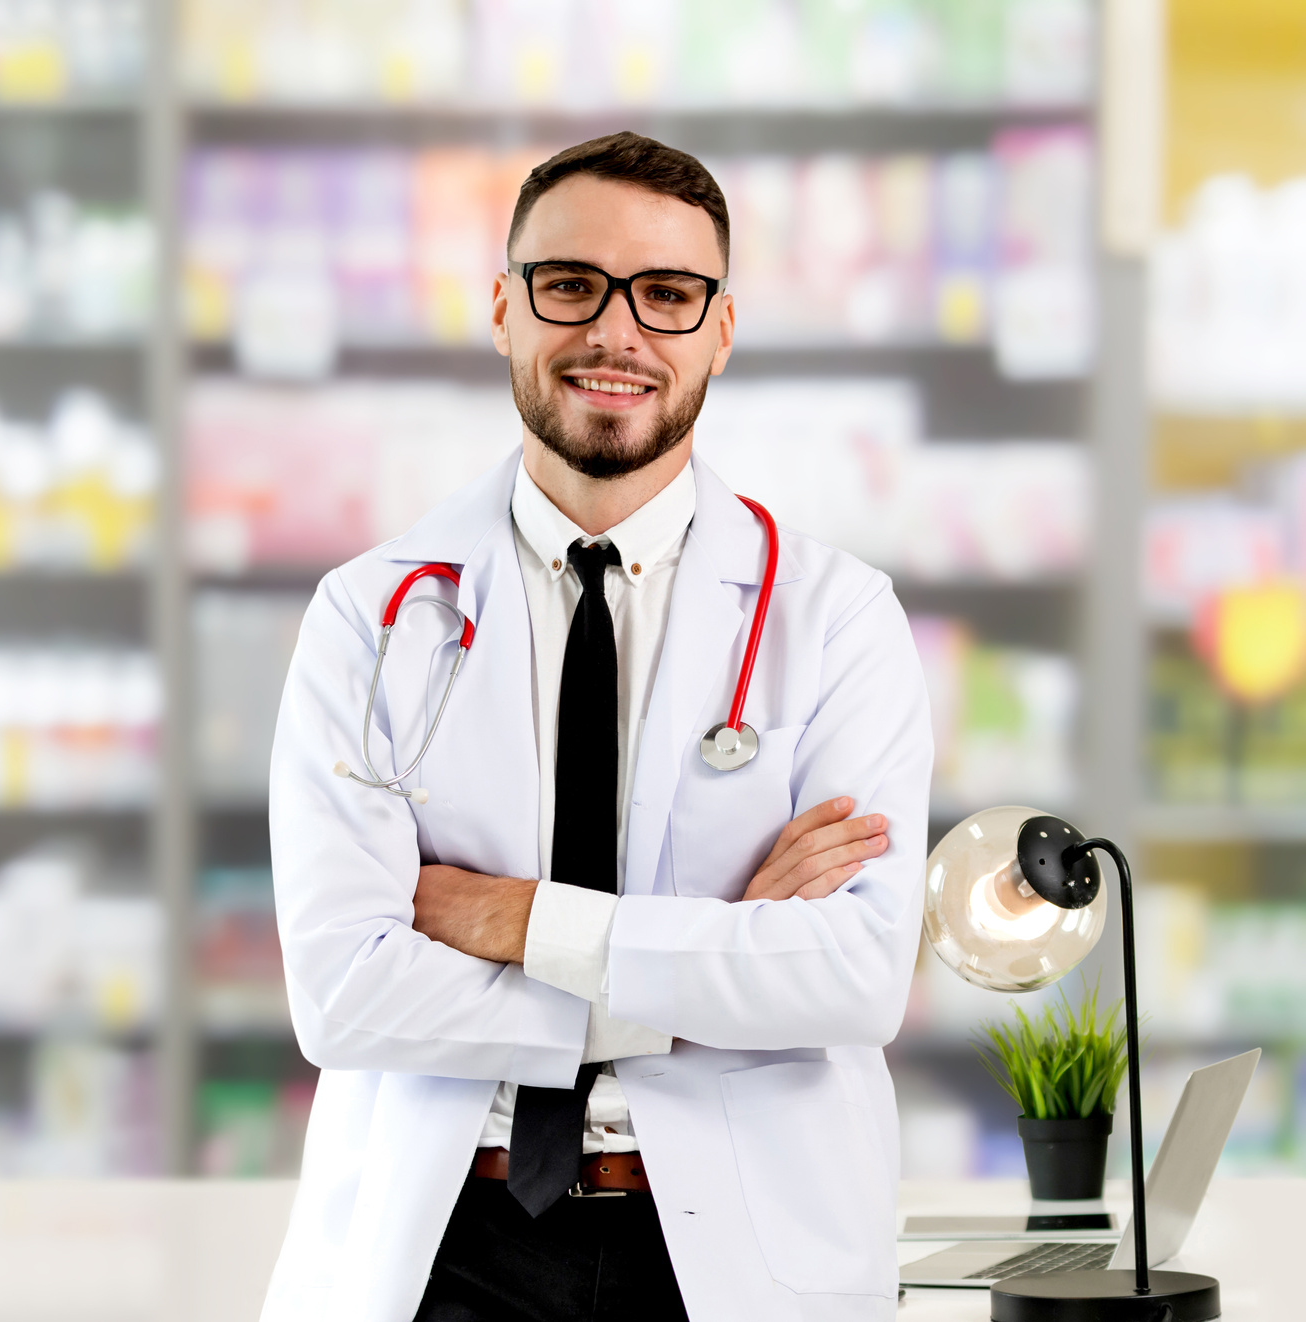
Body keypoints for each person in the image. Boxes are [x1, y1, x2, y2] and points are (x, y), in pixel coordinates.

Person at [259, 132, 932, 1322]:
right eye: (568, 285)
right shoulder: (372, 614)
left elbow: (853, 978)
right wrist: (715, 956)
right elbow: (344, 993)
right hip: (445, 1242)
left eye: (666, 295)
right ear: (503, 310)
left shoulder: (835, 618)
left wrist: (517, 920)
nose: (615, 333)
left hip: (733, 1248)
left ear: (719, 329)